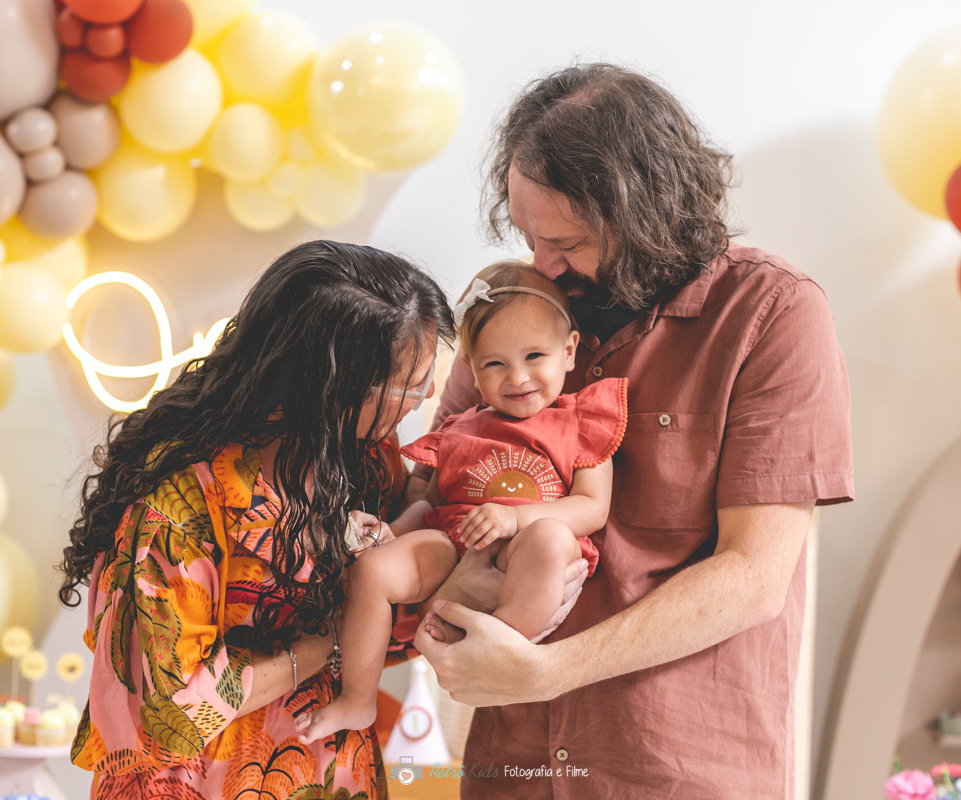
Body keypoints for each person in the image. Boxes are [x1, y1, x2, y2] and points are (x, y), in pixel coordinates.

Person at [411, 64, 854, 799]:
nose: (542, 266)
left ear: (649, 214)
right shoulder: (518, 313)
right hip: (511, 763)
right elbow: (442, 487)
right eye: (528, 236)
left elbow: (755, 577)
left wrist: (548, 673)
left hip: (674, 768)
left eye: (567, 242)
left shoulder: (772, 315)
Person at [59, 240, 458, 799]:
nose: (425, 397)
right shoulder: (177, 508)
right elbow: (174, 716)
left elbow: (391, 621)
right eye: (408, 385)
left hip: (336, 776)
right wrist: (325, 644)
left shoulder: (365, 461)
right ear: (332, 387)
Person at [294, 261, 623, 744]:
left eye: (535, 356)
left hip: (527, 548)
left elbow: (591, 508)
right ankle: (359, 698)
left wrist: (515, 518)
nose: (517, 377)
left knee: (552, 538)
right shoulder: (458, 426)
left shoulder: (582, 423)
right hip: (454, 541)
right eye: (495, 364)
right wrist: (393, 534)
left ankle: (495, 648)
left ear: (569, 350)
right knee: (372, 570)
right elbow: (427, 499)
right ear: (471, 367)